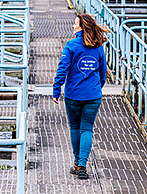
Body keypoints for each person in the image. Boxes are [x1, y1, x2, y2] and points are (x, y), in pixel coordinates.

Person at [52, 13, 109, 180]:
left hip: (73, 95)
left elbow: (62, 69)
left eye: (75, 24)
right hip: (93, 95)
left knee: (75, 128)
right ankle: (82, 165)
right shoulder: (98, 47)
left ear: (82, 27)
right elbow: (102, 72)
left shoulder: (71, 45)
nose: (73, 26)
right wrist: (96, 88)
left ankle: (77, 163)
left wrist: (56, 90)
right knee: (87, 129)